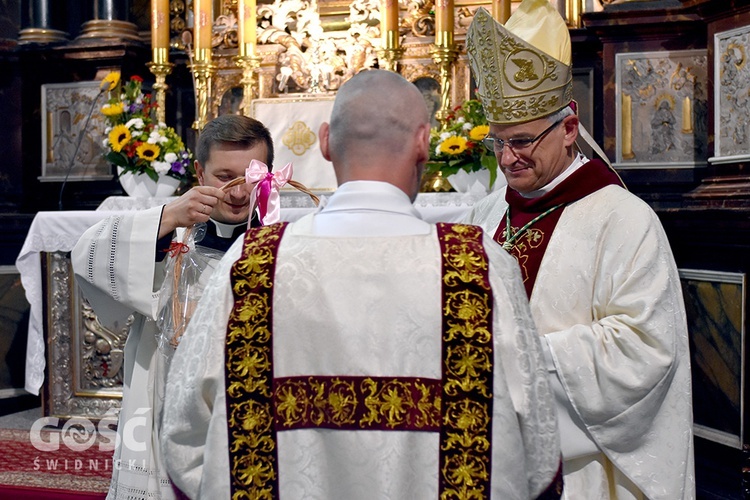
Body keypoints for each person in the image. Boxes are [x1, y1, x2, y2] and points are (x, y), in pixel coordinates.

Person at [160, 69, 563, 499]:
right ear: (424, 141)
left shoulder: (251, 263)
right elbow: (537, 444)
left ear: (326, 142)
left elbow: (184, 432)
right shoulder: (478, 266)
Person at [464, 1, 695, 498]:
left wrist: (519, 359)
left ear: (569, 129)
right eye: (497, 143)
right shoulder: (483, 216)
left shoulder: (624, 220)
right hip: (496, 455)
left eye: (522, 141)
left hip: (584, 469)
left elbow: (645, 348)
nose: (508, 158)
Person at [71, 114, 274, 500]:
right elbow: (87, 256)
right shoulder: (168, 231)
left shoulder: (278, 244)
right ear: (198, 171)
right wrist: (167, 218)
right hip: (165, 396)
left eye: (250, 176)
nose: (237, 192)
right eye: (222, 175)